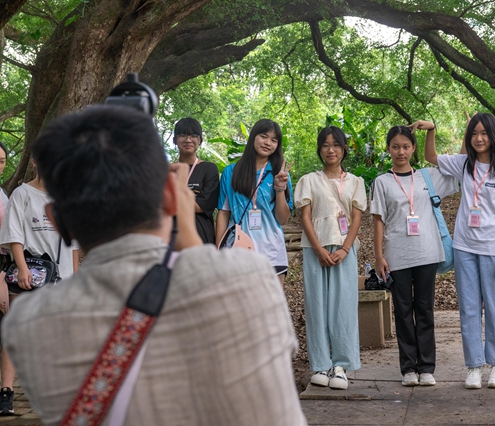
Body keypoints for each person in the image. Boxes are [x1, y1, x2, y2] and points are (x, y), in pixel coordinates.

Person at [2, 105, 306, 426]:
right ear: (172, 196)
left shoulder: (26, 324)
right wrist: (186, 226)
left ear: (56, 221)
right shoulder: (250, 278)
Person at [413, 113, 495, 390]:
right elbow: (431, 157)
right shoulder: (463, 164)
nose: (479, 138)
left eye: (484, 133)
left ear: (493, 136)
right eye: (474, 134)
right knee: (469, 308)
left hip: (493, 246)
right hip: (464, 246)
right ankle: (474, 366)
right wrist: (431, 129)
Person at [371, 126, 458, 387]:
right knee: (403, 311)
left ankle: (427, 367)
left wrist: (432, 129)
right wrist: (378, 256)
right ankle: (408, 368)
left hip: (427, 252)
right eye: (395, 146)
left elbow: (462, 162)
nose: (401, 151)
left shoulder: (428, 176)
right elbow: (378, 220)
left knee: (424, 310)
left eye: (406, 146)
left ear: (413, 149)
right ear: (388, 149)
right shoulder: (382, 182)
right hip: (396, 255)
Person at [0, 156, 80, 416]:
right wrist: (22, 268)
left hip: (62, 277)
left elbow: (74, 246)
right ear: (34, 160)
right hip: (29, 275)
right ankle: (6, 392)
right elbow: (14, 235)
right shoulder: (22, 194)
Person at [295, 127, 366, 391]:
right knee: (317, 306)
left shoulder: (356, 182)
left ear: (344, 148)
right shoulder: (308, 180)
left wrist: (346, 249)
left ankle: (341, 365)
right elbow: (305, 217)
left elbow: (357, 217)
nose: (331, 150)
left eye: (336, 145)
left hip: (344, 250)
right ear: (319, 149)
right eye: (325, 145)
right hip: (315, 249)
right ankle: (321, 364)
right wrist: (318, 249)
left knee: (344, 307)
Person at [216, 119, 293, 286]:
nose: (268, 143)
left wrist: (280, 188)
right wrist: (218, 251)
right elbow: (223, 212)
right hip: (237, 249)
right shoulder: (231, 172)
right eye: (264, 136)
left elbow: (283, 219)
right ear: (253, 137)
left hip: (272, 251)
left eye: (274, 140)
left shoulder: (280, 174)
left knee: (271, 308)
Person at [172, 118, 219, 245]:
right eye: (182, 135)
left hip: (200, 236)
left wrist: (172, 200)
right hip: (171, 236)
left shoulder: (209, 169)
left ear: (199, 141)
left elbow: (202, 206)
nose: (188, 140)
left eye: (193, 135)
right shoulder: (169, 170)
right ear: (175, 140)